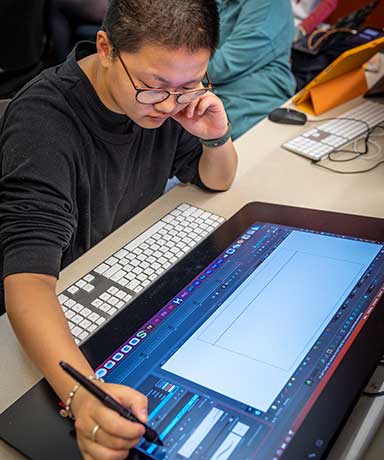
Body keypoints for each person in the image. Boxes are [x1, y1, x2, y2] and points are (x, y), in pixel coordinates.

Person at [0, 1, 237, 459]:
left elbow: (217, 178)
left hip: (109, 268)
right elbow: (27, 280)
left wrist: (215, 135)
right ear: (106, 48)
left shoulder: (168, 104)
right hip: (52, 299)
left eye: (189, 86)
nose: (169, 105)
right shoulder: (44, 120)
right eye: (153, 87)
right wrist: (81, 393)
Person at [207, 0, 296, 140]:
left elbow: (223, 66)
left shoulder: (270, 4)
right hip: (207, 94)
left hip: (248, 105)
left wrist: (172, 62)